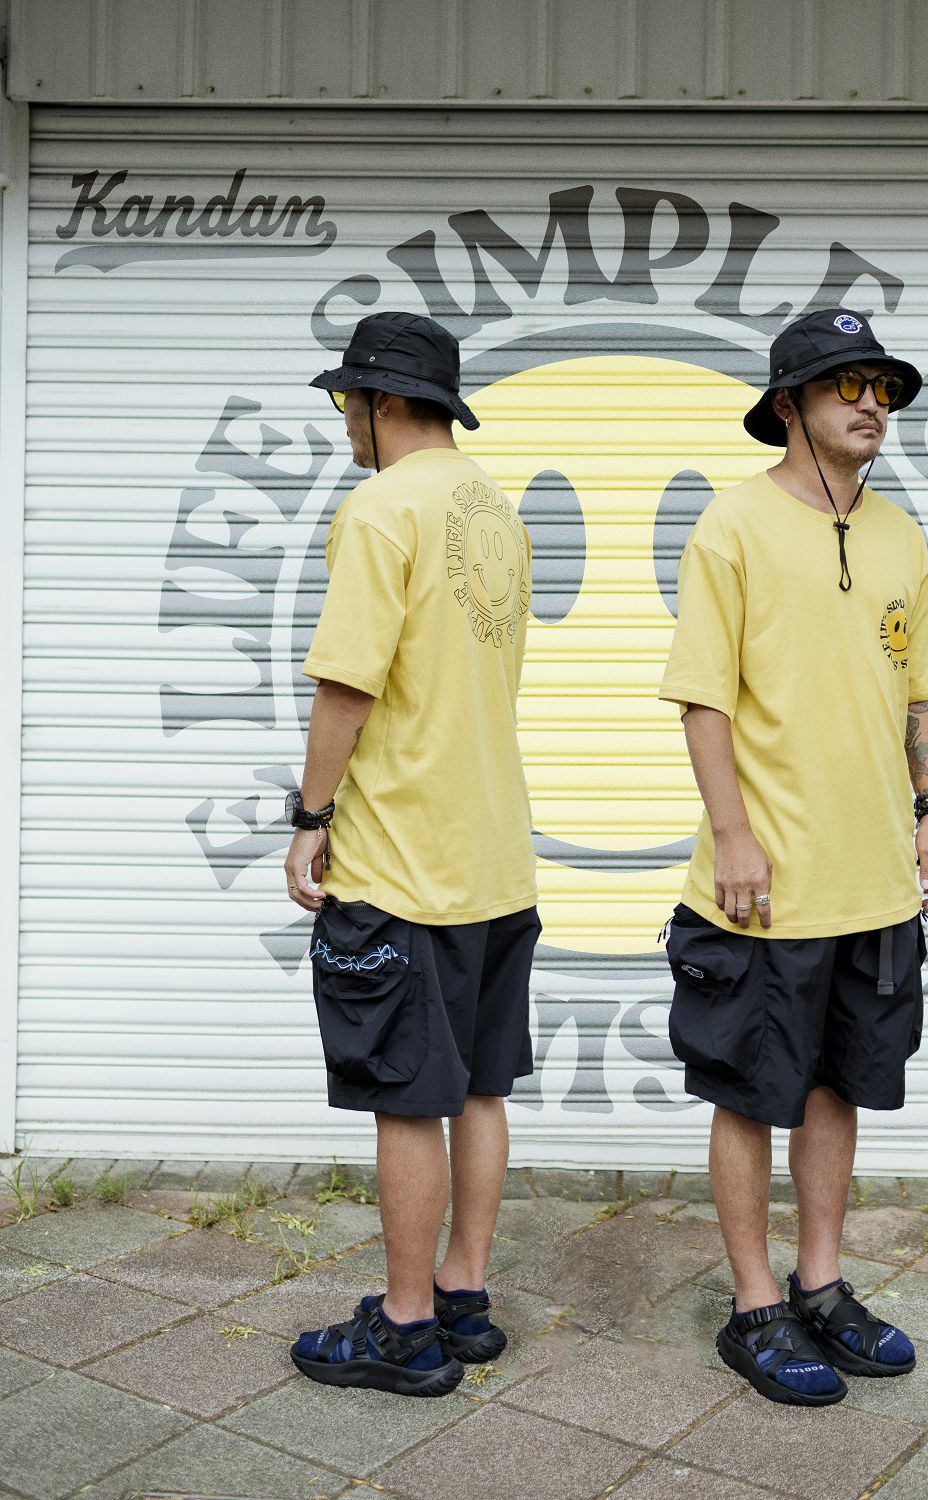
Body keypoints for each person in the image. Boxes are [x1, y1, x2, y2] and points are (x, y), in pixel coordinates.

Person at [659, 306, 928, 1406]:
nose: (872, 403)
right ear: (789, 404)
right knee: (749, 1094)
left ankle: (823, 1285)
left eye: (882, 387)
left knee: (842, 1086)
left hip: (873, 879)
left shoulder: (899, 535)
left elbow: (920, 686)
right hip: (763, 886)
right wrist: (734, 835)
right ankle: (755, 1305)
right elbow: (702, 699)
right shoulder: (732, 527)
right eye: (848, 385)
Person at [283, 311, 539, 1397]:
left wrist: (310, 816)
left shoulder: (380, 509)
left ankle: (404, 1327)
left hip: (403, 858)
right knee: (478, 1088)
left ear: (384, 402)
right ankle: (463, 1293)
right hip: (495, 852)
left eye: (349, 401)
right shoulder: (496, 509)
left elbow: (349, 682)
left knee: (405, 1096)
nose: (346, 420)